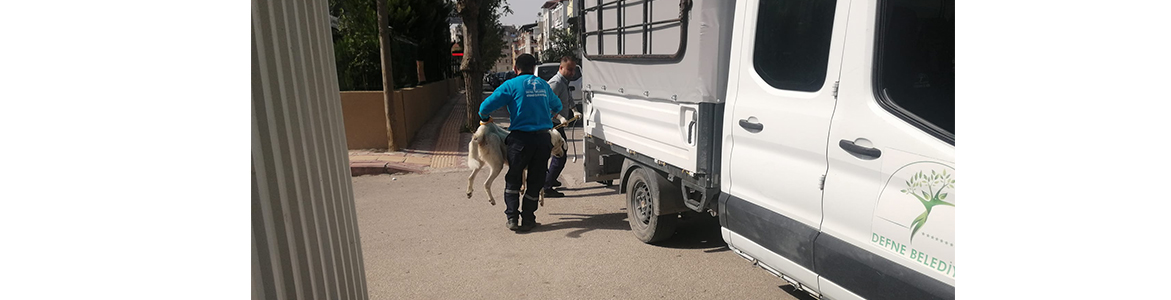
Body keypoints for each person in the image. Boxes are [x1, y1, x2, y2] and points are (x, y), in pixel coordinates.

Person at [478, 53, 563, 232]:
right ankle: (528, 219)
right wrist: (548, 115)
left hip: (520, 141)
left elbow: (484, 107)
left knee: (514, 178)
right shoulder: (543, 85)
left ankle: (512, 218)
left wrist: (485, 119)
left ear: (516, 69)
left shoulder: (510, 84)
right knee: (535, 180)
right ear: (533, 70)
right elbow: (558, 106)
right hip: (542, 140)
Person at [542, 56, 579, 198]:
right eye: (569, 69)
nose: (572, 72)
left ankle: (548, 180)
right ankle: (546, 186)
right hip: (552, 124)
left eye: (573, 69)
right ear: (561, 68)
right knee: (560, 155)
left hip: (558, 124)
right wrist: (559, 117)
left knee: (551, 154)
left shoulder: (564, 82)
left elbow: (568, 98)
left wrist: (574, 109)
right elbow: (547, 106)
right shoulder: (556, 83)